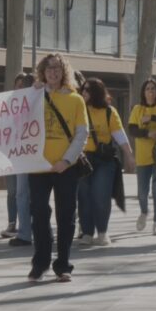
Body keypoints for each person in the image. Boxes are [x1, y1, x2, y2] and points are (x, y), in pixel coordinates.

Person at [28, 53, 88, 282]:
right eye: (48, 68)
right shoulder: (33, 96)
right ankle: (40, 262)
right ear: (42, 72)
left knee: (66, 216)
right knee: (39, 215)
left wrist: (66, 160)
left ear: (64, 72)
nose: (53, 72)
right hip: (37, 167)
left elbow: (82, 133)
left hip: (65, 167)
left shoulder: (75, 99)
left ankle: (63, 264)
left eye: (57, 68)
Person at [77, 78, 135, 246]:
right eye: (83, 89)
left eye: (88, 90)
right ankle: (87, 232)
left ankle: (102, 232)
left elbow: (120, 135)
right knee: (84, 197)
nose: (84, 93)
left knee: (101, 196)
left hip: (104, 160)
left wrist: (129, 155)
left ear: (97, 92)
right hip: (82, 159)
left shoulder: (109, 112)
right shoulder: (78, 109)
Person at [128, 79, 156, 236]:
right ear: (143, 92)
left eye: (153, 88)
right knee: (142, 192)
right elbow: (132, 130)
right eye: (147, 88)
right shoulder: (137, 109)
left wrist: (152, 118)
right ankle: (144, 212)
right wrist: (148, 133)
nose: (151, 91)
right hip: (143, 156)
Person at [5, 72, 36, 246]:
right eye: (18, 86)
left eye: (25, 86)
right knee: (22, 193)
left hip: (37, 154)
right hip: (21, 155)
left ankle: (36, 229)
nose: (21, 89)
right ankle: (25, 232)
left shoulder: (40, 101)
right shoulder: (10, 104)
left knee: (36, 195)